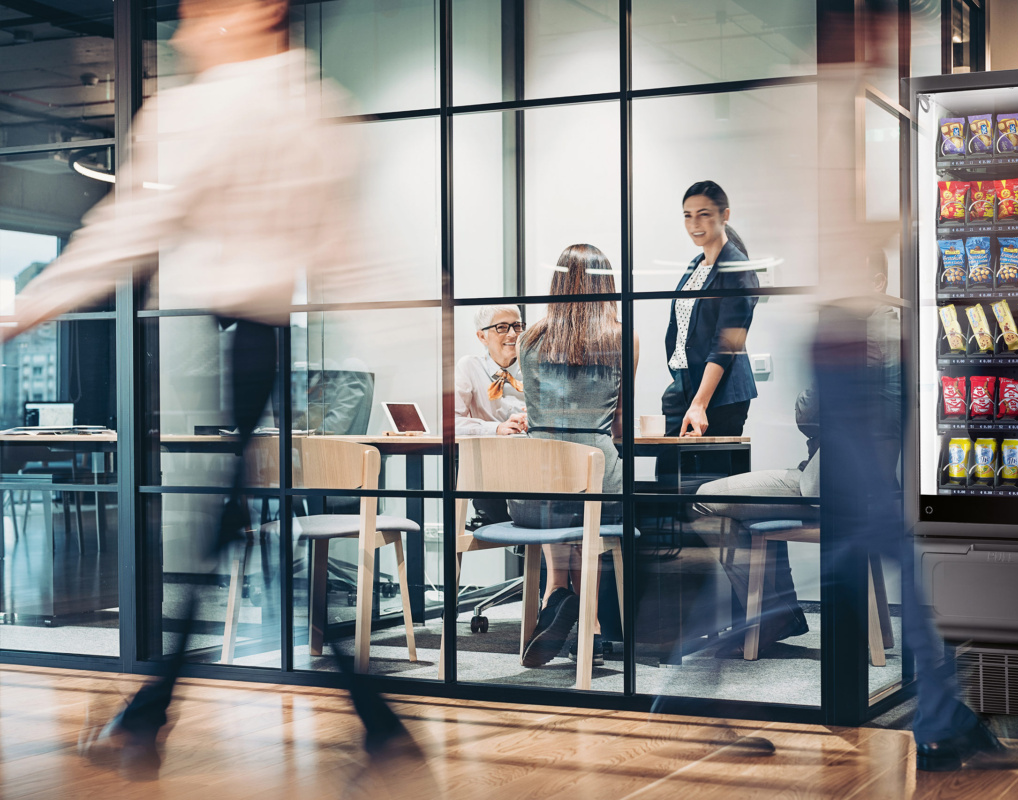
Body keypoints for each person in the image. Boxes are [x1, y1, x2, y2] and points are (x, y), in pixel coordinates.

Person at [5, 0, 413, 774]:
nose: (188, 22)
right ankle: (365, 721)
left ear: (256, 12)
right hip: (254, 338)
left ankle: (153, 714)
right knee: (244, 533)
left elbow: (128, 229)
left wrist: (30, 307)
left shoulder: (212, 109)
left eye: (202, 8)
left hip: (243, 340)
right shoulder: (313, 106)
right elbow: (347, 249)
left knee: (229, 532)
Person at [814, 251, 1018, 772]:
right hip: (863, 482)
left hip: (861, 480)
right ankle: (942, 727)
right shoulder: (853, 326)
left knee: (907, 598)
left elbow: (830, 409)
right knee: (908, 597)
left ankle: (942, 726)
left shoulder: (851, 322)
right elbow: (879, 410)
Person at [509, 244, 639, 668]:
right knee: (588, 503)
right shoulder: (623, 335)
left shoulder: (529, 337)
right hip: (593, 481)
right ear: (607, 285)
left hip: (531, 493)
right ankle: (592, 624)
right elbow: (619, 423)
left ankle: (555, 593)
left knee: (558, 492)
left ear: (556, 283)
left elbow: (535, 412)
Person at [691, 389, 818, 658]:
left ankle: (773, 615)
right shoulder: (882, 376)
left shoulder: (851, 371)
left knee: (702, 500)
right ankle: (779, 613)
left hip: (825, 486)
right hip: (854, 486)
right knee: (747, 513)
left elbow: (809, 413)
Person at [661, 181, 758, 442]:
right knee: (670, 476)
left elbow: (725, 344)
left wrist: (700, 402)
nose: (694, 224)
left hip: (718, 394)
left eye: (703, 214)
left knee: (706, 480)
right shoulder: (696, 264)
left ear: (724, 216)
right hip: (683, 385)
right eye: (687, 216)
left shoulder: (737, 268)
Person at [455, 304, 528, 526]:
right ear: (482, 336)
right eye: (502, 327)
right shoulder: (469, 366)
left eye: (517, 326)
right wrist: (496, 428)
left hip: (532, 464)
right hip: (491, 469)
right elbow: (451, 423)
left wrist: (532, 420)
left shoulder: (536, 366)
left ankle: (528, 541)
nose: (513, 334)